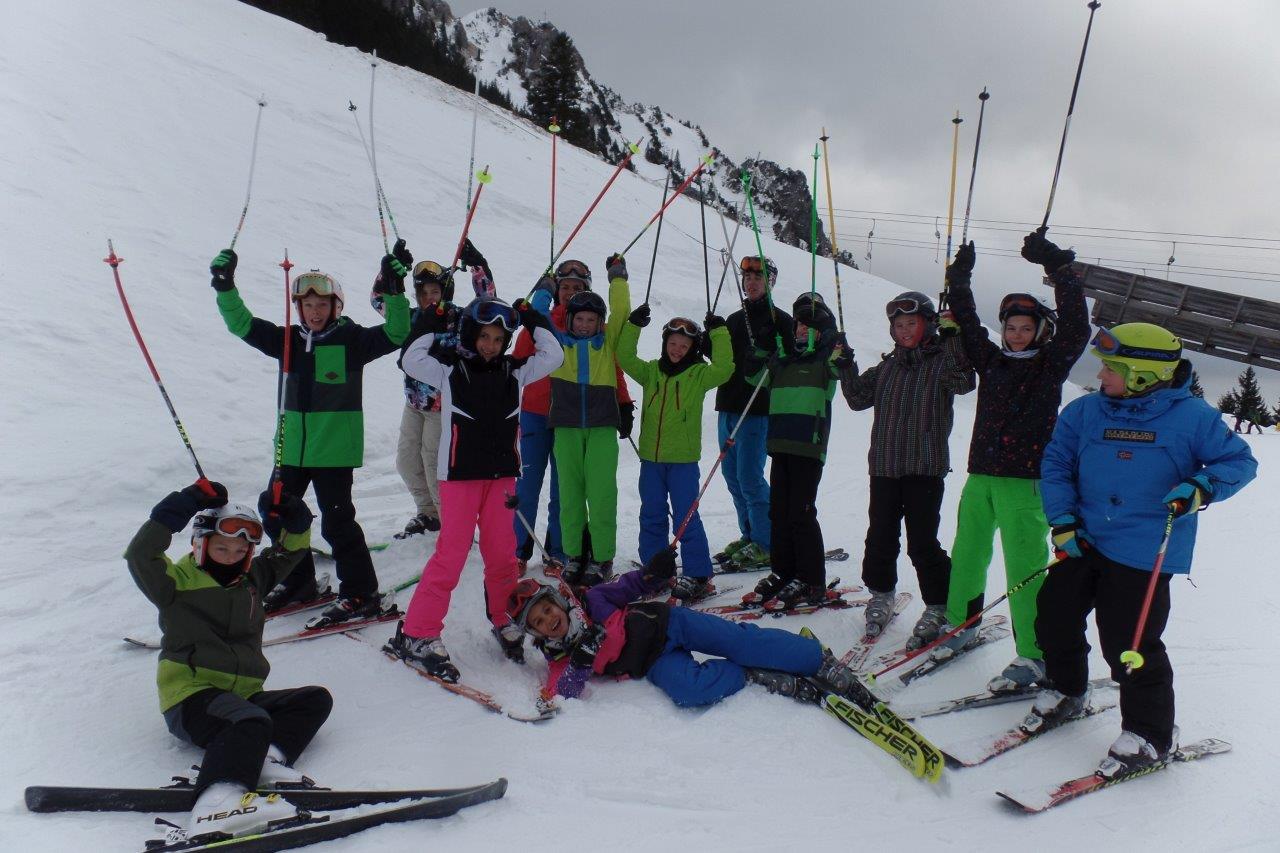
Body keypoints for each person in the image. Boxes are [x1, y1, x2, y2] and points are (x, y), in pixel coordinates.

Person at [1029, 321, 1256, 777]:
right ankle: (1068, 690)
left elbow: (1239, 461)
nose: (1100, 376)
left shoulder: (1193, 418)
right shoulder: (1084, 411)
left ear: (1142, 374)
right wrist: (1063, 520)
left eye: (1111, 368)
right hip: (1086, 537)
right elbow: (1055, 463)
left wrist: (1202, 486)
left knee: (1129, 642)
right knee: (1053, 615)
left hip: (1144, 549)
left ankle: (1151, 734)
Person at [209, 242, 411, 624]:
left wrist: (395, 292)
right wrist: (225, 286)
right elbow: (241, 324)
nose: (314, 312)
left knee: (337, 523)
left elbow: (398, 332)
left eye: (321, 305)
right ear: (298, 308)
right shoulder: (286, 341)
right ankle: (298, 581)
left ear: (336, 307)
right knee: (275, 512)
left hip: (333, 452)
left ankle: (361, 593)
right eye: (307, 305)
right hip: (290, 451)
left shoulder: (352, 341)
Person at [126, 480, 332, 840]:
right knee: (250, 720)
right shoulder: (174, 584)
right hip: (192, 699)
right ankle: (218, 802)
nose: (231, 556)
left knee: (314, 700)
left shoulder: (251, 580)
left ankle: (262, 760)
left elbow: (290, 552)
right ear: (200, 544)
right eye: (221, 547)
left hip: (242, 696)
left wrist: (296, 520)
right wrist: (183, 503)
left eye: (240, 550)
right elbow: (140, 554)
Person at [930, 233, 1089, 691]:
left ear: (1040, 331)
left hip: (1025, 485)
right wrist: (959, 279)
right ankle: (961, 624)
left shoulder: (1051, 365)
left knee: (1025, 570)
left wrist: (1058, 267)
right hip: (980, 478)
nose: (1016, 335)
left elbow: (1077, 327)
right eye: (1011, 328)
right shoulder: (993, 362)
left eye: (1025, 328)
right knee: (967, 554)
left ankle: (1035, 655)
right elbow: (968, 323)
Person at [383, 296, 563, 680]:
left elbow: (554, 354)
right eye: (484, 337)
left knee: (502, 556)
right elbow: (410, 359)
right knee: (451, 556)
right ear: (471, 335)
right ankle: (417, 633)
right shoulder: (449, 370)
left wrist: (532, 316)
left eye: (498, 339)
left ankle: (503, 617)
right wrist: (431, 320)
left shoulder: (515, 371)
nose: (490, 345)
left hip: (501, 478)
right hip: (459, 478)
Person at [504, 549, 861, 707]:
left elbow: (630, 586)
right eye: (539, 623)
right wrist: (581, 662)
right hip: (654, 662)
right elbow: (559, 693)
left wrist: (652, 573)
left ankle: (816, 658)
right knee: (689, 691)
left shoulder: (592, 600)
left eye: (547, 609)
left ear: (559, 601)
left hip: (671, 624)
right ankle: (751, 675)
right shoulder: (561, 658)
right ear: (537, 635)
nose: (549, 620)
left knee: (738, 642)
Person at [841, 290, 976, 647]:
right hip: (884, 467)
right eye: (898, 325)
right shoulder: (887, 367)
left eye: (911, 323)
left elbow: (965, 382)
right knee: (880, 537)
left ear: (928, 324)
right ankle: (881, 594)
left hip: (924, 468)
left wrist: (953, 338)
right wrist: (845, 366)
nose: (904, 330)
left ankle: (940, 604)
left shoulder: (942, 363)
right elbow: (857, 398)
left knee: (922, 543)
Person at [511, 260, 634, 572]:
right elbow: (528, 337)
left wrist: (623, 403)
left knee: (571, 491)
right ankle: (522, 551)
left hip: (582, 422)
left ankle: (567, 552)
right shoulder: (554, 333)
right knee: (534, 487)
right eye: (564, 287)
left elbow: (614, 361)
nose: (569, 292)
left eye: (576, 288)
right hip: (546, 417)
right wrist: (541, 291)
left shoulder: (599, 335)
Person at [377, 241, 495, 539]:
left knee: (434, 465)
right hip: (414, 403)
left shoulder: (459, 318)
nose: (429, 298)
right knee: (407, 461)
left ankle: (454, 527)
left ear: (446, 292)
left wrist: (478, 265)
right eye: (423, 293)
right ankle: (428, 514)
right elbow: (379, 299)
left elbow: (488, 304)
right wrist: (389, 273)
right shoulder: (411, 317)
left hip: (444, 406)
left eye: (434, 292)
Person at [616, 305, 734, 600]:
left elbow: (725, 368)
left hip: (683, 461)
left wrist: (719, 332)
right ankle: (655, 570)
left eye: (684, 346)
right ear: (665, 343)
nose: (677, 350)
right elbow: (624, 357)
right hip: (651, 461)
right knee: (651, 514)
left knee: (686, 516)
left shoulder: (699, 375)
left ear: (693, 349)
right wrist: (633, 325)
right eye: (673, 343)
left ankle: (698, 574)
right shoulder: (651, 371)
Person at [740, 292, 848, 609]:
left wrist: (838, 345)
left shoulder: (823, 362)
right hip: (780, 445)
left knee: (801, 513)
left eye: (810, 325)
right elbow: (753, 377)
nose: (802, 329)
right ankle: (783, 571)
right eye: (799, 324)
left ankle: (810, 579)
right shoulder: (783, 360)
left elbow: (840, 367)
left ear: (822, 331)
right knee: (779, 513)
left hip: (808, 448)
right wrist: (762, 346)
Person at [712, 257, 794, 571]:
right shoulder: (735, 320)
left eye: (759, 277)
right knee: (732, 477)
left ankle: (766, 542)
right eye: (747, 277)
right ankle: (749, 535)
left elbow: (788, 359)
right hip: (728, 404)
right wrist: (710, 337)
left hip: (757, 409)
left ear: (771, 282)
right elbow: (722, 360)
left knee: (749, 477)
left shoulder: (781, 321)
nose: (752, 282)